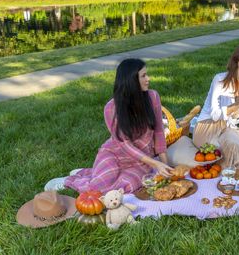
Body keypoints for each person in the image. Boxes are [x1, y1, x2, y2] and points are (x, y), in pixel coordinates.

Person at [61, 58, 173, 194]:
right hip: (115, 154)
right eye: (143, 76)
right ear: (131, 80)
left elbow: (159, 132)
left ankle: (93, 172)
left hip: (142, 161)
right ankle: (73, 179)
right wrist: (156, 163)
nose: (148, 79)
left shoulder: (153, 97)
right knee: (95, 189)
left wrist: (165, 165)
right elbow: (124, 144)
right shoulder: (111, 108)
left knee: (124, 188)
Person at [193, 44, 239, 168]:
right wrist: (237, 104)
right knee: (237, 146)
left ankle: (225, 163)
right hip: (207, 128)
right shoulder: (220, 80)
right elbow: (215, 115)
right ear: (236, 62)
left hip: (226, 131)